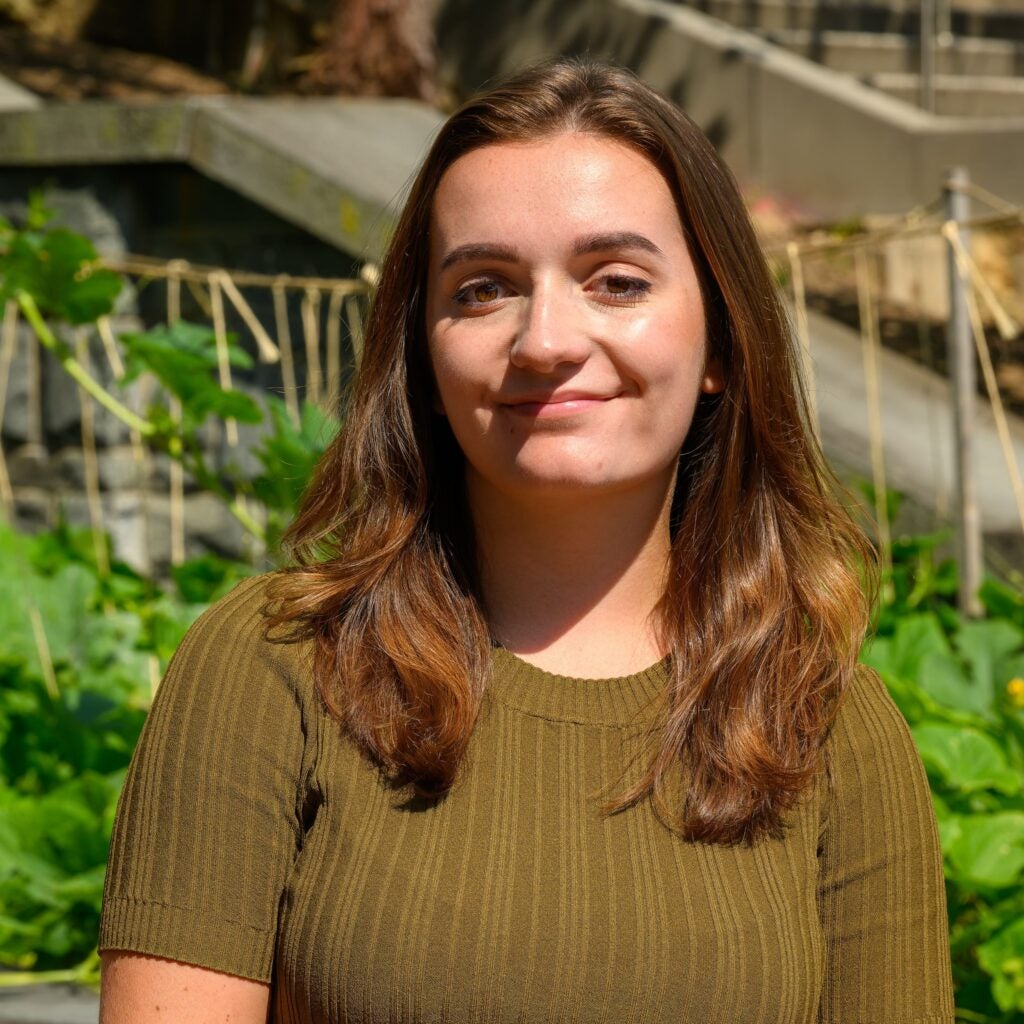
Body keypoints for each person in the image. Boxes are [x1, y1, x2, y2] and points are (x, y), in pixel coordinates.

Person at [97, 56, 955, 1023]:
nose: (546, 339)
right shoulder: (273, 672)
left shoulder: (824, 724)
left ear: (721, 343)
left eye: (617, 281)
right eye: (483, 288)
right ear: (423, 349)